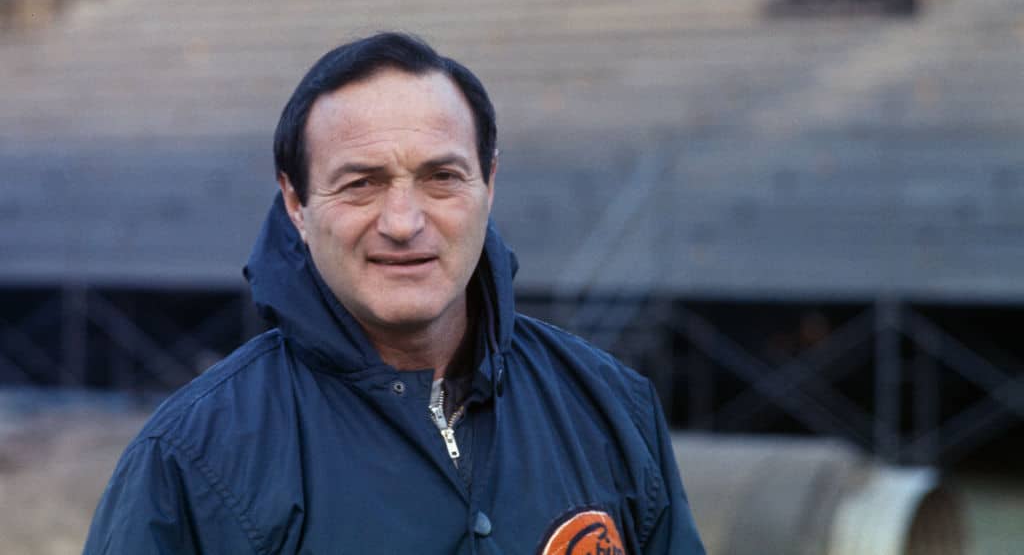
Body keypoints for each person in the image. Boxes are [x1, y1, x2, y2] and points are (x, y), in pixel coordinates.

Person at [83, 33, 705, 554]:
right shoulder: (190, 458)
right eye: (361, 184)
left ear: (489, 182)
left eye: (442, 177)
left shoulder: (612, 407)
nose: (403, 222)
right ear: (297, 203)